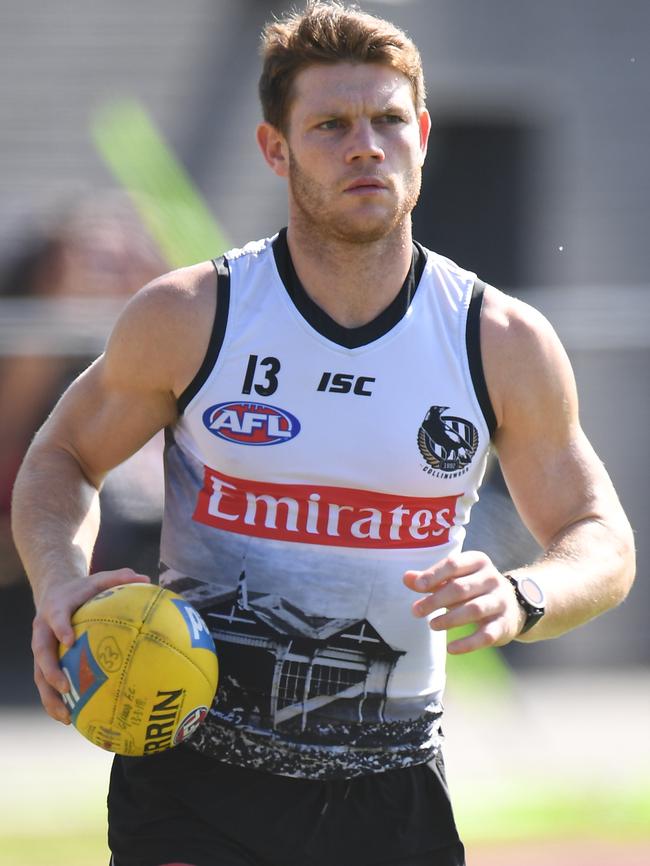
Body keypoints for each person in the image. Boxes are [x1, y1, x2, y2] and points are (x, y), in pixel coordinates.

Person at [11, 3, 635, 865]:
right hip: (190, 780)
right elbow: (63, 458)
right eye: (331, 124)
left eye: (386, 120)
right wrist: (58, 584)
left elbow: (600, 535)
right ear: (276, 149)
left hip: (390, 792)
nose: (365, 145)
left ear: (420, 133)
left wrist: (525, 597)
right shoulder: (195, 316)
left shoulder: (499, 339)